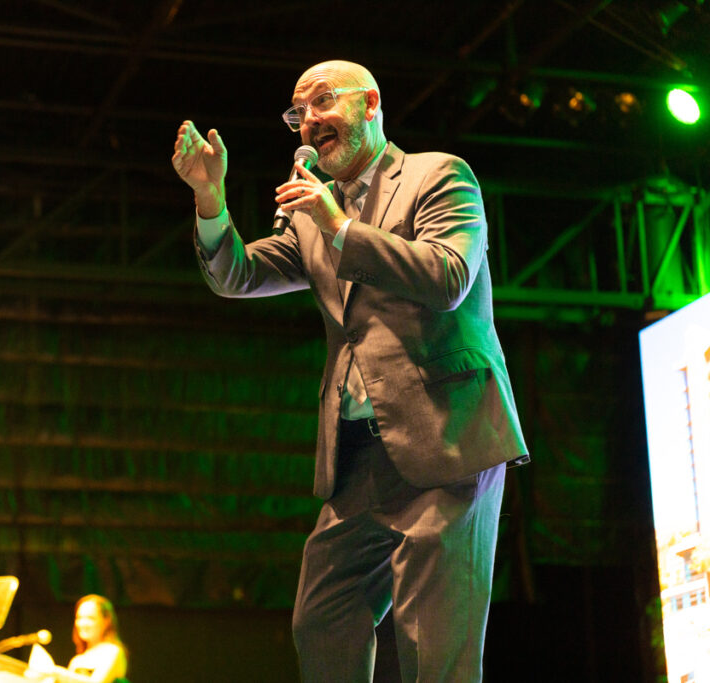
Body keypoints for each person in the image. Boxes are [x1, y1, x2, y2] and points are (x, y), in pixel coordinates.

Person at [171, 60, 529, 682]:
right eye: (297, 113)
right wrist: (210, 198)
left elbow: (446, 276)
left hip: (446, 435)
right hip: (359, 452)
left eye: (322, 102)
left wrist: (338, 225)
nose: (308, 121)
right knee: (323, 615)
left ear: (370, 103)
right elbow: (238, 275)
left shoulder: (439, 174)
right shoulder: (315, 208)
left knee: (432, 641)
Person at [65, 594, 128, 683]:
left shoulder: (113, 652)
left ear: (106, 621)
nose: (83, 624)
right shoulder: (77, 661)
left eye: (90, 618)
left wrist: (57, 673)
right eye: (79, 618)